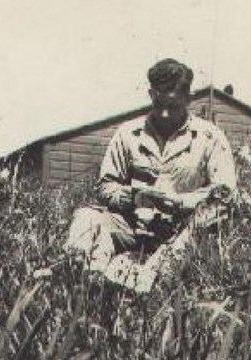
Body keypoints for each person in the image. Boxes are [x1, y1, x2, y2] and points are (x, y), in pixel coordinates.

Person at [62, 58, 237, 293]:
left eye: (172, 106)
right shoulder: (128, 134)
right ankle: (89, 282)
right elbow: (106, 186)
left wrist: (181, 202)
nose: (164, 114)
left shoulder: (210, 138)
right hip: (131, 225)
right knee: (86, 217)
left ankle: (149, 283)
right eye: (158, 104)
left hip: (182, 229)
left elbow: (225, 195)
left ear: (188, 98)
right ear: (150, 94)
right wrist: (132, 197)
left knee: (205, 221)